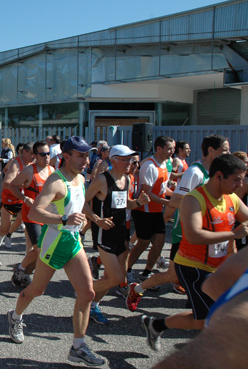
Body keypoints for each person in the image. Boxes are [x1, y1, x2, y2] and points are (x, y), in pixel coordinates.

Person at [7, 136, 108, 366]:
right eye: (80, 155)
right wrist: (64, 218)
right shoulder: (56, 181)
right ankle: (15, 317)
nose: (85, 160)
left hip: (73, 241)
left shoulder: (81, 178)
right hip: (53, 242)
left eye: (87, 155)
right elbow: (34, 213)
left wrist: (94, 219)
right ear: (67, 155)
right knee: (37, 290)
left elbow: (81, 203)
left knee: (87, 293)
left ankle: (78, 346)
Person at [140, 154, 248, 352]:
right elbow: (194, 236)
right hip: (193, 267)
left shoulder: (231, 198)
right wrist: (233, 234)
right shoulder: (194, 199)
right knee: (210, 317)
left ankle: (155, 325)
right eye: (236, 179)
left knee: (209, 316)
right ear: (218, 176)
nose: (241, 184)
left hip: (218, 266)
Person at [127, 134, 230, 311]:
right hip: (180, 228)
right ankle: (136, 287)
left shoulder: (215, 173)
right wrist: (176, 206)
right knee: (166, 267)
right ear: (211, 150)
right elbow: (175, 200)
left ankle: (148, 274)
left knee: (161, 246)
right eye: (225, 150)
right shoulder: (194, 172)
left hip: (205, 231)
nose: (228, 153)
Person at [85, 145, 149, 325]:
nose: (130, 163)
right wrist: (96, 220)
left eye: (130, 159)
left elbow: (123, 203)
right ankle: (84, 295)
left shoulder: (127, 179)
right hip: (104, 234)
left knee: (114, 277)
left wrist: (137, 202)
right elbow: (82, 201)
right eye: (125, 159)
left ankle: (93, 305)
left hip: (121, 231)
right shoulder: (102, 180)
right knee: (115, 278)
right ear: (113, 160)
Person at [154, 245, 248, 369]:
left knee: (201, 321)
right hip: (193, 264)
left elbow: (215, 282)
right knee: (200, 321)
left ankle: (156, 324)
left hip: (207, 269)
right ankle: (153, 319)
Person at [126, 135, 175, 283]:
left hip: (156, 210)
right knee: (143, 243)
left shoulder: (165, 164)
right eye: (169, 148)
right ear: (159, 148)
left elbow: (162, 189)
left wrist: (177, 196)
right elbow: (147, 193)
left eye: (173, 148)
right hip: (144, 211)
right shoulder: (149, 165)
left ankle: (147, 272)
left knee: (160, 241)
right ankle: (126, 270)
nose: (172, 151)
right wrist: (169, 203)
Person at [4, 141, 53, 275]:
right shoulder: (29, 170)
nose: (47, 157)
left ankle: (22, 271)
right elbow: (12, 185)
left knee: (42, 250)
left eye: (48, 154)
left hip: (46, 215)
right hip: (31, 216)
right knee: (39, 248)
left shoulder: (52, 170)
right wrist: (24, 198)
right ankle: (22, 269)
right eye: (43, 154)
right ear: (36, 155)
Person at [0, 142, 34, 257]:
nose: (34, 156)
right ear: (24, 152)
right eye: (31, 153)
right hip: (10, 199)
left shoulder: (33, 164)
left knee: (28, 226)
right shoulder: (15, 163)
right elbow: (6, 183)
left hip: (25, 200)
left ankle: (28, 256)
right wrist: (22, 184)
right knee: (4, 229)